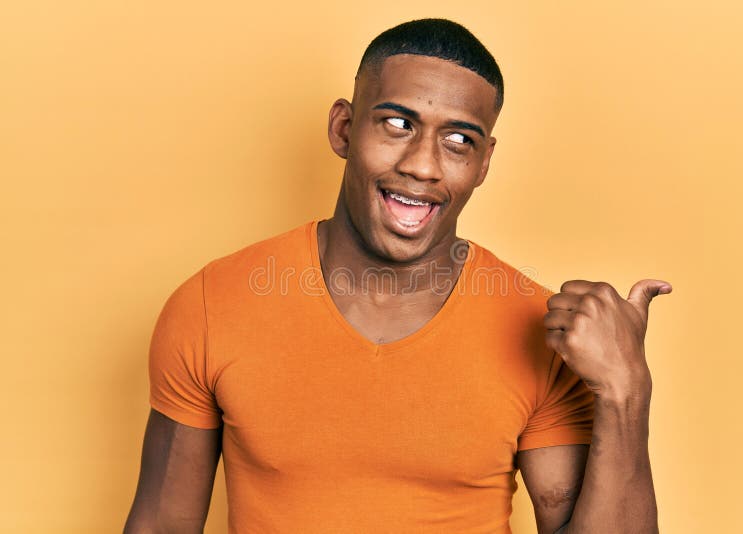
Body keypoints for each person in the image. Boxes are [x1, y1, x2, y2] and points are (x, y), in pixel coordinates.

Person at [124, 18, 670, 534]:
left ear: (484, 163)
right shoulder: (213, 305)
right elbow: (161, 524)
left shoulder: (540, 328)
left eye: (459, 140)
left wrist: (627, 389)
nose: (423, 165)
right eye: (398, 124)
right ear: (342, 127)